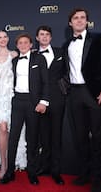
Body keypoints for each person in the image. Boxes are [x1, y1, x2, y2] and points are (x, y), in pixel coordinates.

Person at [63, 8, 101, 192]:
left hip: (94, 93)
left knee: (98, 137)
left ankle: (97, 177)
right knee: (80, 137)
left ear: (87, 21)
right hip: (75, 94)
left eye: (82, 18)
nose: (79, 20)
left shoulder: (100, 38)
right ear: (70, 23)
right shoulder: (66, 45)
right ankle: (85, 173)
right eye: (75, 18)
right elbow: (62, 71)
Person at [0, 34, 49, 185]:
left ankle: (32, 172)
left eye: (25, 42)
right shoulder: (14, 61)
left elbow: (46, 82)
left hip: (33, 103)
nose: (22, 45)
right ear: (17, 45)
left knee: (32, 138)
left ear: (31, 44)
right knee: (13, 138)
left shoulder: (39, 59)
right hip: (17, 102)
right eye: (20, 43)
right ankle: (10, 172)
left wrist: (43, 102)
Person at [0, 30, 27, 180]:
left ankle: (13, 161)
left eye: (5, 36)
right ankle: (4, 164)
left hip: (13, 97)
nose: (2, 39)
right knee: (2, 128)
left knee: (14, 130)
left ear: (8, 39)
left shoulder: (15, 55)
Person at [35, 25, 67, 185]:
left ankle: (56, 171)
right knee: (44, 136)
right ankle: (44, 166)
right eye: (42, 34)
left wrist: (64, 89)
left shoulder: (61, 52)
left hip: (57, 100)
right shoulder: (32, 55)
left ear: (51, 37)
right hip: (39, 101)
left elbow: (70, 71)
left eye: (47, 34)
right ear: (37, 38)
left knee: (56, 136)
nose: (45, 37)